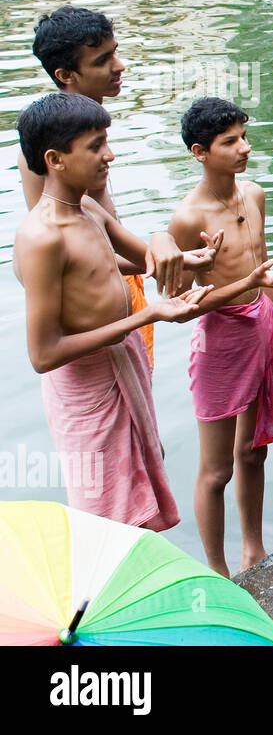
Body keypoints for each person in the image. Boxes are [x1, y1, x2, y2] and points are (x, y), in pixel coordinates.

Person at [13, 94, 227, 531]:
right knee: (106, 519)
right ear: (54, 159)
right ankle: (98, 599)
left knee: (139, 501)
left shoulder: (87, 208)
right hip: (86, 387)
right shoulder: (42, 236)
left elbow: (137, 258)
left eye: (106, 142)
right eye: (94, 146)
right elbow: (43, 354)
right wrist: (147, 318)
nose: (108, 155)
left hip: (122, 364)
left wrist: (191, 257)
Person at [170, 98, 273, 575]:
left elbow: (266, 276)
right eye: (230, 142)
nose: (244, 147)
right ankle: (216, 570)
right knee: (217, 467)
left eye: (244, 136)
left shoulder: (255, 194)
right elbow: (183, 309)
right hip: (219, 342)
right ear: (199, 152)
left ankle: (254, 549)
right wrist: (248, 285)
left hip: (260, 330)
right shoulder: (189, 219)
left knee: (255, 449)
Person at [25, 7, 188, 368]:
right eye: (103, 60)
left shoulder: (91, 132)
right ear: (65, 75)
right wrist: (155, 256)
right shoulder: (47, 148)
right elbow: (66, 264)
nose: (119, 66)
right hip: (93, 325)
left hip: (122, 292)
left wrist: (163, 252)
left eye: (115, 52)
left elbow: (99, 237)